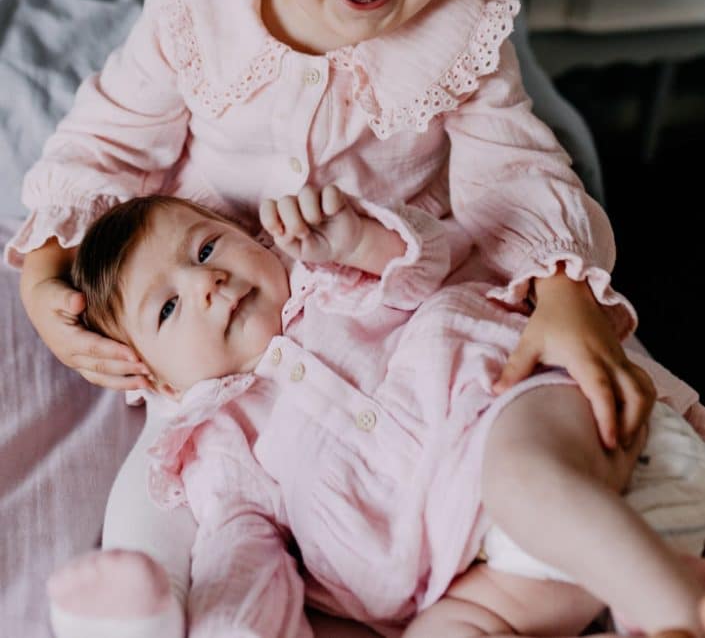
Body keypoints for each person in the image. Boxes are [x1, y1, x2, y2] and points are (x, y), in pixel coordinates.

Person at [8, 0, 656, 618]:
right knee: (162, 494)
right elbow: (100, 146)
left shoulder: (461, 27)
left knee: (534, 430)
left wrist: (564, 295)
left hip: (388, 305)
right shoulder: (198, 7)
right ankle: (138, 615)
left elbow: (517, 171)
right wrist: (45, 267)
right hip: (221, 343)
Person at [47, 187, 705, 638]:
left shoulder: (326, 283)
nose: (205, 283)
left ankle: (674, 611)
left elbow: (422, 262)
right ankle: (654, 587)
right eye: (167, 308)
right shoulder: (220, 448)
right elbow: (242, 559)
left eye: (206, 249)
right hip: (492, 577)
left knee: (522, 482)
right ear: (156, 378)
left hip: (532, 419)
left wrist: (356, 238)